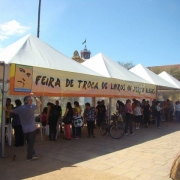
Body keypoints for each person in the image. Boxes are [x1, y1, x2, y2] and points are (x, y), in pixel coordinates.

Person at [3, 93, 41, 161]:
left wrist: (6, 109)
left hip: (25, 129)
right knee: (30, 143)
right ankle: (29, 157)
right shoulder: (32, 107)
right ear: (28, 101)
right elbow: (39, 102)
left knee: (29, 143)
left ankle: (32, 154)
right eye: (30, 100)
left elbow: (12, 111)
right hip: (32, 129)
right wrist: (34, 96)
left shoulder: (20, 108)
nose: (31, 101)